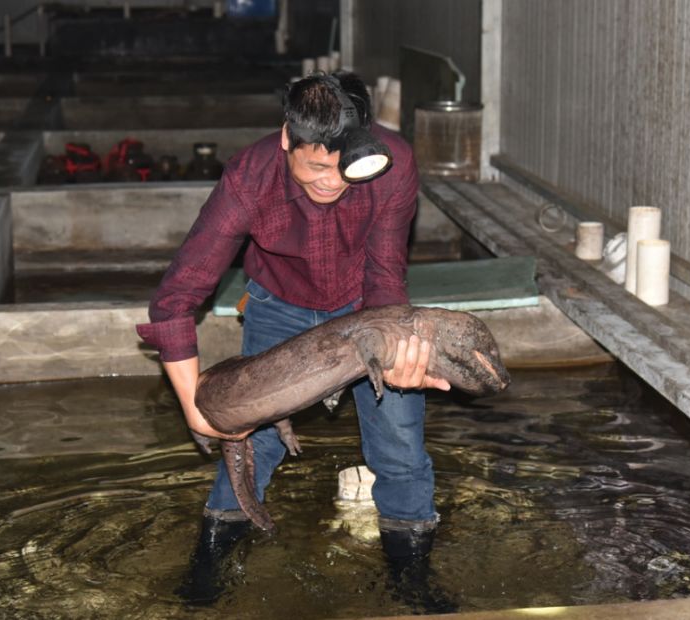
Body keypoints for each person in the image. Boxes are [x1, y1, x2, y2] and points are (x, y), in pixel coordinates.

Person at [137, 71, 455, 612]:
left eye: (343, 169)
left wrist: (400, 353)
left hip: (364, 309)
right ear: (287, 138)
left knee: (399, 442)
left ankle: (412, 584)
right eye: (314, 167)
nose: (330, 182)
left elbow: (384, 278)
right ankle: (206, 575)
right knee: (252, 443)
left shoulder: (390, 165)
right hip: (279, 305)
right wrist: (194, 404)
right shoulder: (249, 178)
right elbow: (176, 297)